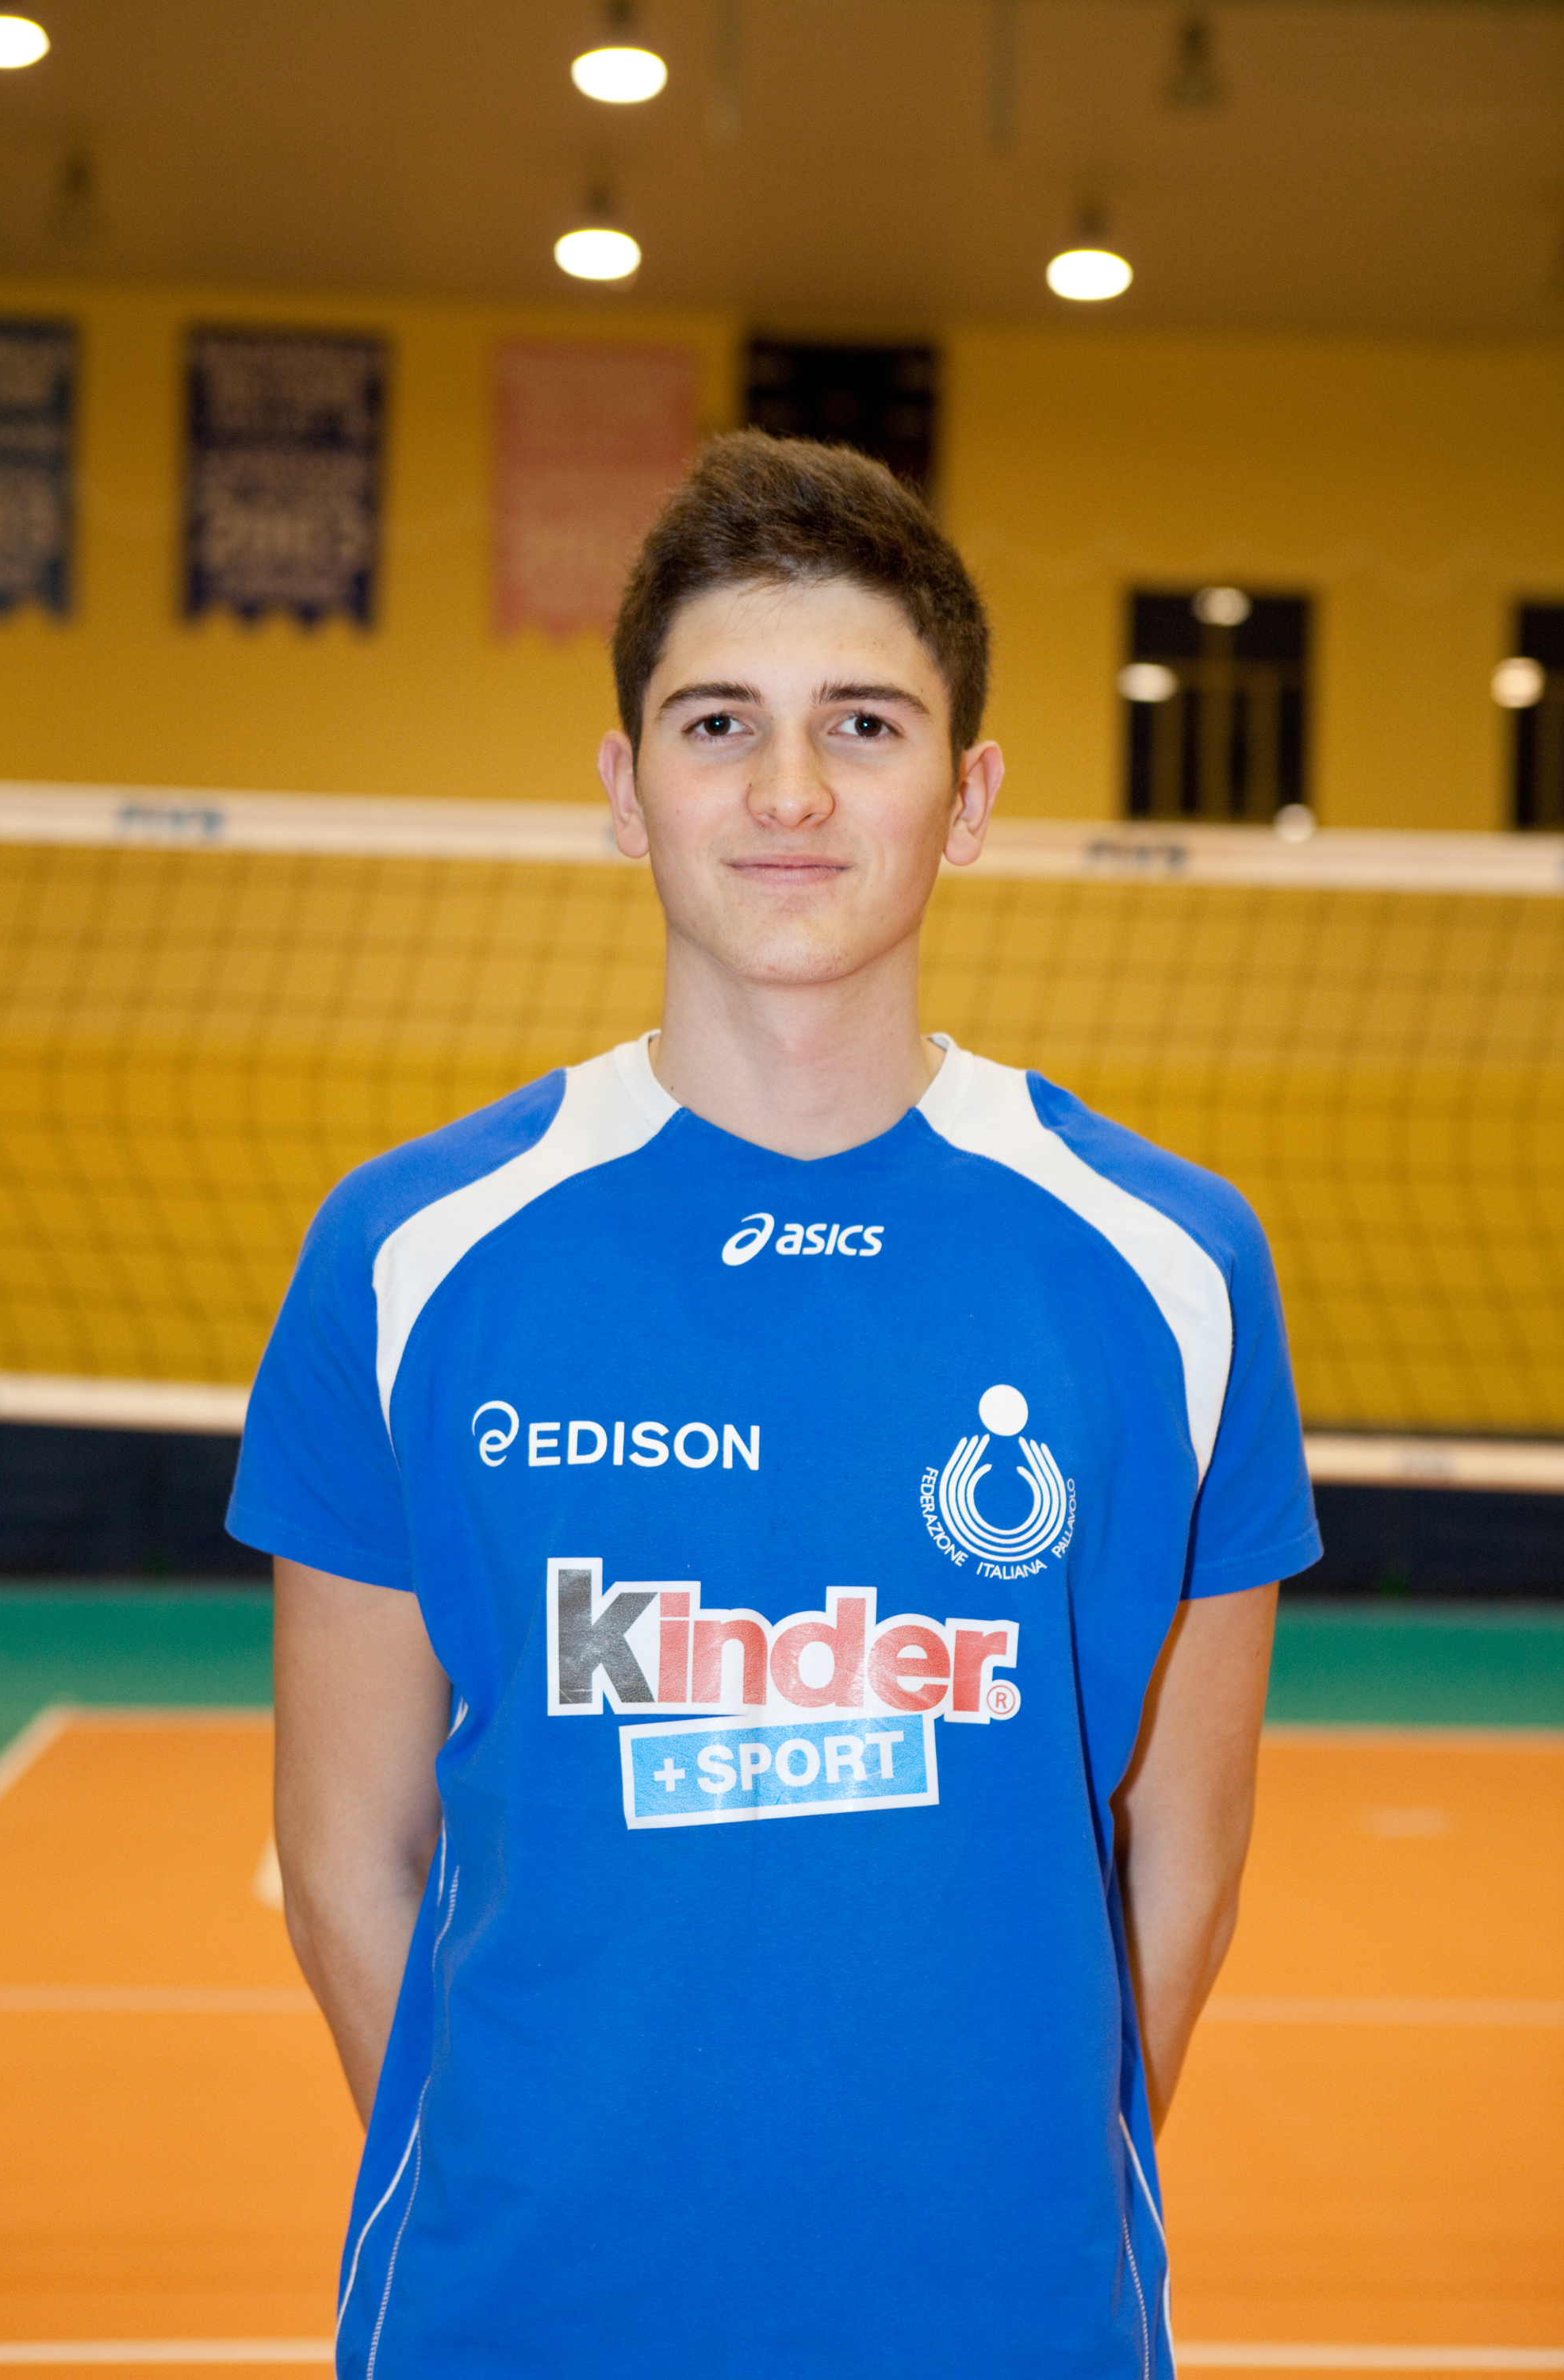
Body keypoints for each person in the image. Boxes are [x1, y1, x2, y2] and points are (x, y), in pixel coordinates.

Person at [228, 429, 1321, 2380]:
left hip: (1006, 2316)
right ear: (623, 790)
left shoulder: (1171, 1262)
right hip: (518, 2316)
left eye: (864, 727)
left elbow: (1184, 1854)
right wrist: (515, 2184)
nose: (790, 791)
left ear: (966, 798)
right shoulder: (407, 1250)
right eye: (719, 721)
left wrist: (1014, 2183)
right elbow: (340, 1856)